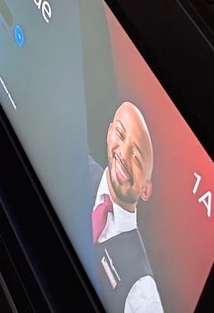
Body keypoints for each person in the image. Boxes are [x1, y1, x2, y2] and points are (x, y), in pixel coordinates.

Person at [86, 101, 163, 313]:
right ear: (109, 132)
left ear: (146, 190)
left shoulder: (143, 290)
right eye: (120, 134)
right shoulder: (73, 163)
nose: (123, 155)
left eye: (137, 157)